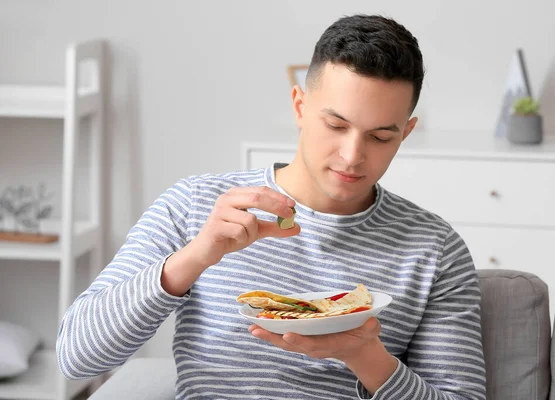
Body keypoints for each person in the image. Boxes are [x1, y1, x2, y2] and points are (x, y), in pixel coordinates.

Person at [57, 14, 486, 400]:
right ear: (300, 106)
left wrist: (367, 358)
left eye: (380, 137)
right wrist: (192, 260)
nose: (352, 155)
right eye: (336, 125)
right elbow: (77, 357)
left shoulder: (435, 249)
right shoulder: (196, 205)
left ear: (406, 132)